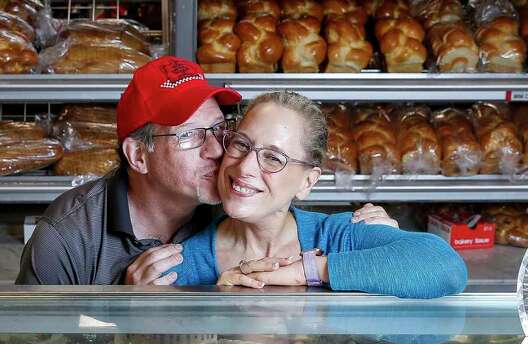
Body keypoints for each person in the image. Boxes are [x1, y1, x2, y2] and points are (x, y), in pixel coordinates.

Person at [17, 57, 397, 286]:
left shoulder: (231, 201)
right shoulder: (66, 237)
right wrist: (122, 313)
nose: (219, 150)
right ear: (139, 156)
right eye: (191, 136)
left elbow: (287, 217)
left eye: (218, 129)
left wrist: (369, 234)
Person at [164, 91, 468, 297]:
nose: (244, 168)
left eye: (273, 158)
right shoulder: (184, 263)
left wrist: (309, 270)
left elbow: (444, 266)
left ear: (307, 182)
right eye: (241, 145)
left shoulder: (339, 237)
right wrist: (220, 307)